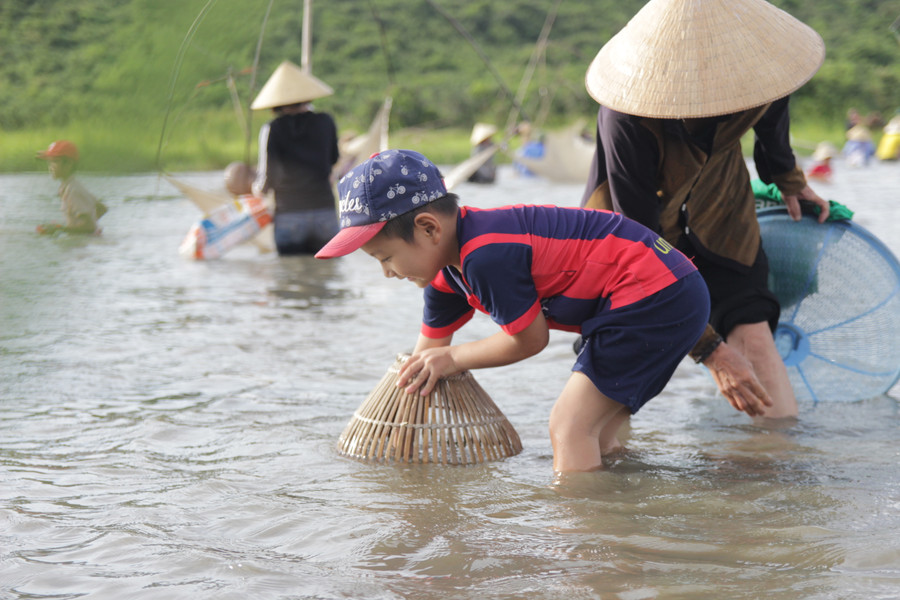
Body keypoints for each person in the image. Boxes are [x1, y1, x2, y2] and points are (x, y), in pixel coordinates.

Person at [315, 149, 710, 472]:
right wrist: (398, 434)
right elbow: (423, 360)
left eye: (385, 257)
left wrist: (452, 357)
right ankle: (621, 510)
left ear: (429, 228)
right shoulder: (445, 274)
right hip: (657, 293)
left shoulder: (487, 255)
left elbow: (530, 340)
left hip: (654, 295)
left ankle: (584, 542)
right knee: (599, 434)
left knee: (569, 427)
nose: (386, 273)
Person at [580, 0, 831, 419]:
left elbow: (772, 128)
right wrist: (711, 350)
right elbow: (640, 246)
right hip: (632, 235)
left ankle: (775, 467)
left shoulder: (763, 71)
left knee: (752, 333)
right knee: (615, 369)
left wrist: (790, 181)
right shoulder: (628, 117)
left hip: (722, 212)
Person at [251, 60, 339, 255]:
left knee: (290, 275)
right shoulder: (325, 121)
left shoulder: (272, 129)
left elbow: (268, 177)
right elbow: (333, 158)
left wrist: (256, 189)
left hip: (290, 214)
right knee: (326, 273)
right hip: (324, 211)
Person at [35, 140, 106, 235]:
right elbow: (102, 208)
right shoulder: (72, 186)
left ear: (68, 164)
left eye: (55, 161)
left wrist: (59, 229)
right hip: (85, 240)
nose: (50, 167)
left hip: (83, 244)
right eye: (49, 162)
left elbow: (88, 227)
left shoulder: (72, 190)